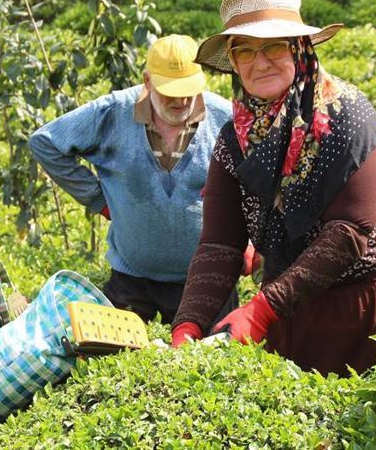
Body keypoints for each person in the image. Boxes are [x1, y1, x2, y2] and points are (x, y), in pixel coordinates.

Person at [171, 0, 376, 376]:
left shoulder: (347, 116)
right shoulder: (235, 139)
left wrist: (262, 309)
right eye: (244, 50)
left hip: (375, 304)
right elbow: (220, 243)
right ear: (233, 61)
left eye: (274, 45)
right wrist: (188, 322)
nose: (259, 62)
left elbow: (350, 231)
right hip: (294, 303)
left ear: (299, 48)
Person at [29, 34, 238, 324]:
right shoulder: (113, 112)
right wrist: (98, 200)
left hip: (207, 280)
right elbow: (45, 142)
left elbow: (256, 181)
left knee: (210, 360)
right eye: (170, 90)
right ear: (148, 81)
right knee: (117, 358)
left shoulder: (227, 118)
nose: (181, 100)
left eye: (188, 89)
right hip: (132, 279)